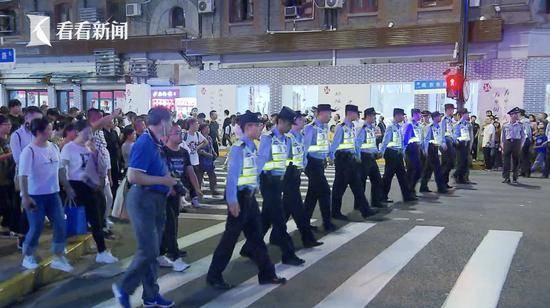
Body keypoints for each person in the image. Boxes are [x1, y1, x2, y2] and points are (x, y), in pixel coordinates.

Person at [206, 110, 286, 290]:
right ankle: (214, 275)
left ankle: (267, 274)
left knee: (256, 238)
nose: (261, 129)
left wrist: (255, 185)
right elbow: (232, 176)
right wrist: (232, 200)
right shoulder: (238, 148)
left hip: (249, 199)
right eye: (259, 126)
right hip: (239, 200)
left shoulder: (251, 146)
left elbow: (250, 171)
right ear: (248, 127)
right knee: (229, 239)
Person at [112, 107, 178, 308]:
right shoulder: (144, 142)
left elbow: (157, 170)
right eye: (170, 122)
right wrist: (163, 180)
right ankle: (124, 287)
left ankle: (150, 296)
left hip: (157, 200)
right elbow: (133, 176)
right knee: (148, 249)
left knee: (153, 250)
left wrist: (168, 184)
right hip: (143, 200)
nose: (172, 126)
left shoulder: (156, 143)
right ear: (162, 122)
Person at [241, 107, 304, 266]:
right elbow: (261, 160)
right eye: (289, 124)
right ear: (280, 122)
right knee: (279, 219)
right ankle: (288, 253)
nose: (291, 127)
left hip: (279, 182)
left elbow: (286, 159)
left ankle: (249, 247)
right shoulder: (268, 138)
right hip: (268, 182)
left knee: (266, 217)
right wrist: (254, 182)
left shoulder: (287, 139)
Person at [19, 117, 74, 272]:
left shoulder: (54, 147)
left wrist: (67, 187)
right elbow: (22, 176)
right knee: (36, 227)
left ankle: (58, 256)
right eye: (48, 129)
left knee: (61, 224)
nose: (51, 131)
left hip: (53, 194)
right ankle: (27, 256)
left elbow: (60, 169)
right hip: (35, 195)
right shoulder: (28, 152)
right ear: (38, 132)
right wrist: (25, 196)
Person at [61, 120, 118, 264]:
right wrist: (67, 187)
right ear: (78, 132)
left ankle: (101, 250)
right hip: (77, 185)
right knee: (83, 218)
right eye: (87, 132)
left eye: (90, 132)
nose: (89, 135)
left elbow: (98, 165)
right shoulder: (69, 148)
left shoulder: (89, 147)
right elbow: (62, 169)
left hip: (92, 185)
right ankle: (100, 250)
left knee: (97, 216)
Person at [160, 123, 202, 272]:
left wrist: (196, 189)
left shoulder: (184, 152)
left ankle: (163, 251)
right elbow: (162, 172)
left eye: (180, 132)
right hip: (163, 193)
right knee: (170, 223)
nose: (180, 135)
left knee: (174, 221)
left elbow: (190, 171)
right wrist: (169, 187)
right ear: (168, 136)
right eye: (177, 133)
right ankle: (175, 256)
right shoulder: (162, 152)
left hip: (177, 192)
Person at [330, 104, 378, 220]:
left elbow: (354, 143)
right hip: (342, 159)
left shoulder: (352, 126)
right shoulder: (340, 127)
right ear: (350, 113)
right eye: (357, 113)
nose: (358, 116)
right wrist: (331, 157)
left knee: (357, 186)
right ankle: (335, 212)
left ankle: (365, 210)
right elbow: (335, 144)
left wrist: (357, 155)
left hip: (351, 159)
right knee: (339, 187)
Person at [282, 110, 323, 248]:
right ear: (295, 121)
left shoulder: (299, 136)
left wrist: (303, 167)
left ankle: (276, 235)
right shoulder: (288, 138)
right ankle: (307, 238)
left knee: (285, 210)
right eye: (301, 119)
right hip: (288, 176)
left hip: (296, 176)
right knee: (298, 210)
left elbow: (302, 156)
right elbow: (282, 159)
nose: (304, 121)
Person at [304, 104, 336, 232]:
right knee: (325, 191)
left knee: (312, 194)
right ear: (320, 114)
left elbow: (326, 144)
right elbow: (306, 148)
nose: (330, 116)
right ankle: (327, 223)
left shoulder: (324, 127)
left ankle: (305, 222)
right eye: (328, 113)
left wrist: (329, 155)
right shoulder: (310, 128)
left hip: (320, 163)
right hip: (312, 164)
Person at [380, 108, 416, 203]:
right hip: (391, 153)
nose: (402, 117)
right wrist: (381, 152)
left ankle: (407, 195)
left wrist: (402, 151)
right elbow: (385, 141)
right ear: (396, 115)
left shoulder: (399, 127)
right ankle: (383, 196)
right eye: (401, 115)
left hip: (398, 153)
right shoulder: (391, 127)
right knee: (388, 176)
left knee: (402, 176)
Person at [355, 107, 385, 208]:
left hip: (371, 157)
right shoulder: (362, 128)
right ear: (368, 116)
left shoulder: (371, 128)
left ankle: (375, 201)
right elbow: (358, 144)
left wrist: (377, 152)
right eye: (373, 116)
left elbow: (372, 144)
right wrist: (358, 157)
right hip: (364, 157)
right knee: (362, 182)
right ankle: (359, 204)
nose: (374, 118)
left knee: (377, 180)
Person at [420, 111, 448, 193]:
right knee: (437, 169)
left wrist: (443, 143)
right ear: (435, 118)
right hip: (431, 148)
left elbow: (440, 137)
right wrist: (425, 150)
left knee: (428, 169)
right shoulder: (430, 127)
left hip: (436, 148)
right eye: (439, 116)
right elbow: (426, 139)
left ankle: (423, 186)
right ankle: (441, 187)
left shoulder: (439, 127)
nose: (440, 118)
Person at [183, 118, 208, 207]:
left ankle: (194, 198)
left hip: (195, 161)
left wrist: (197, 148)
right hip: (186, 162)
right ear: (191, 125)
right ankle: (186, 197)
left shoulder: (198, 134)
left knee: (194, 181)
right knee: (186, 180)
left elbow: (206, 142)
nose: (198, 125)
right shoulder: (184, 135)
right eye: (196, 124)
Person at [501, 107, 525, 184]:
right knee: (506, 161)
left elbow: (523, 136)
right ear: (510, 115)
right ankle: (506, 177)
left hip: (517, 142)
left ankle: (515, 177)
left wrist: (521, 145)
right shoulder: (505, 125)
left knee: (516, 161)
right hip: (508, 142)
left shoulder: (520, 125)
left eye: (516, 114)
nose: (515, 116)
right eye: (514, 114)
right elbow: (503, 136)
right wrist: (502, 145)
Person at [0, 115, 15, 235]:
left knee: (12, 204)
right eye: (7, 124)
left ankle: (7, 227)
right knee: (6, 205)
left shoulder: (9, 139)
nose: (9, 127)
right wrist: (12, 154)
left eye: (10, 124)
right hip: (1, 178)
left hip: (9, 177)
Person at [403, 109, 423, 195]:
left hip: (416, 148)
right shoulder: (409, 124)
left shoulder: (418, 125)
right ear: (414, 114)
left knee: (415, 170)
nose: (420, 116)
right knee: (414, 170)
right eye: (419, 114)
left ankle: (410, 188)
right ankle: (409, 189)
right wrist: (404, 150)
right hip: (410, 149)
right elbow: (405, 138)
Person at [197, 123, 219, 196]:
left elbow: (211, 146)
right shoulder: (199, 137)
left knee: (212, 175)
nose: (208, 130)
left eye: (208, 128)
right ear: (202, 130)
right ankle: (198, 190)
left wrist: (214, 152)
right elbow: (198, 150)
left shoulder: (209, 138)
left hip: (209, 159)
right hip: (202, 158)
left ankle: (213, 189)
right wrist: (206, 154)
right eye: (207, 128)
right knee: (200, 175)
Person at [453, 109, 473, 184]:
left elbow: (471, 135)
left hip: (467, 144)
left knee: (465, 162)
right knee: (460, 162)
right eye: (467, 114)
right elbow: (455, 134)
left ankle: (461, 178)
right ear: (463, 114)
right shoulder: (458, 124)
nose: (468, 115)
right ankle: (456, 175)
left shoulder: (468, 124)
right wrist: (457, 141)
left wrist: (470, 144)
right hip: (460, 144)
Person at [441, 103, 457, 189]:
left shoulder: (450, 120)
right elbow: (442, 132)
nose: (453, 111)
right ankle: (442, 182)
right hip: (446, 141)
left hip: (451, 141)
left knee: (450, 163)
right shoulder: (444, 119)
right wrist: (443, 142)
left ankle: (445, 182)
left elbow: (452, 132)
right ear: (447, 110)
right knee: (446, 162)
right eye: (452, 109)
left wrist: (455, 140)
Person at [519, 110, 533, 178]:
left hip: (525, 140)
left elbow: (527, 132)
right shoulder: (523, 121)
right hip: (523, 140)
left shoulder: (525, 121)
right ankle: (523, 171)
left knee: (525, 156)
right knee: (523, 156)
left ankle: (526, 172)